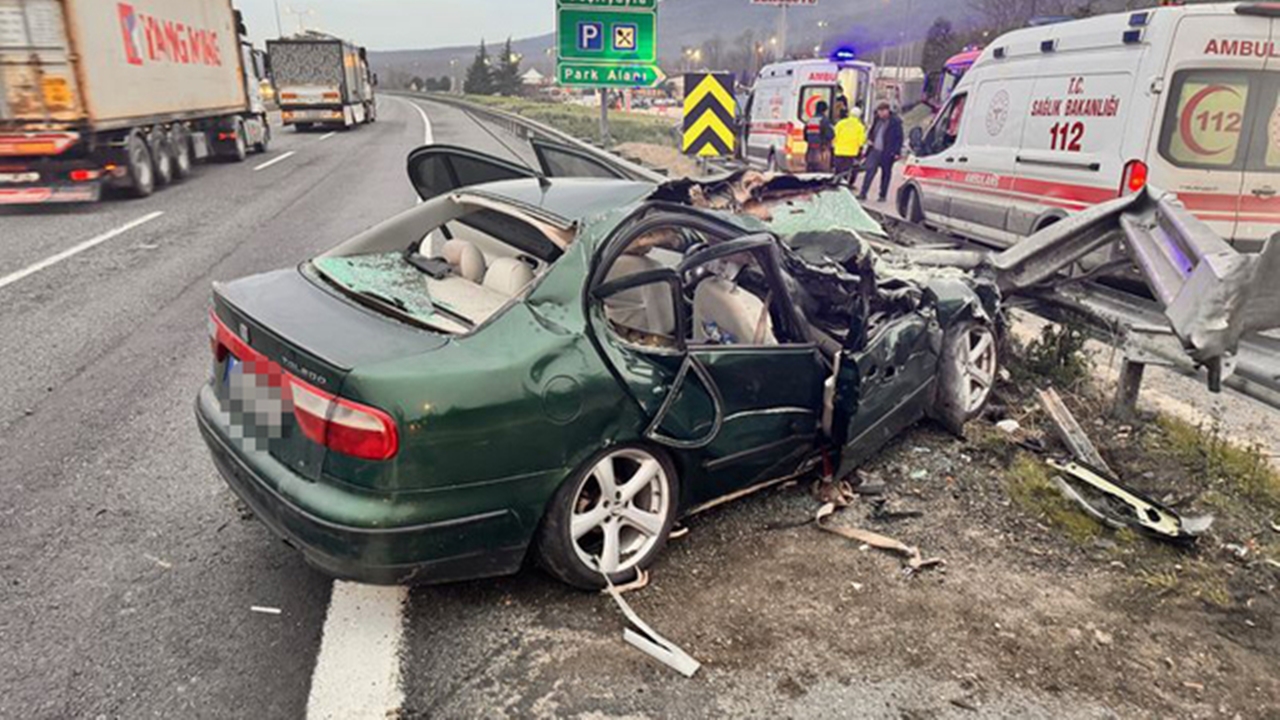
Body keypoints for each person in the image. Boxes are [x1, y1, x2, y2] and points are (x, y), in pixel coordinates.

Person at [858, 101, 905, 204]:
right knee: (869, 171)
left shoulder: (895, 122)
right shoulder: (877, 119)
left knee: (886, 174)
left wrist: (896, 152)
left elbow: (899, 138)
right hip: (875, 150)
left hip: (887, 152)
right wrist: (870, 139)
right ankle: (863, 193)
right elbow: (872, 131)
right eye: (878, 112)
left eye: (881, 111)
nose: (880, 114)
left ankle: (882, 195)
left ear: (887, 111)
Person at [833, 106, 867, 186]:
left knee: (838, 169)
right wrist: (860, 148)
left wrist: (835, 145)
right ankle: (844, 184)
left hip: (839, 150)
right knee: (847, 170)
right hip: (851, 152)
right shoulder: (860, 126)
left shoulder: (841, 123)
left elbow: (834, 135)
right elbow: (861, 140)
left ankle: (836, 183)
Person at [803, 100, 835, 173]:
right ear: (825, 110)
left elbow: (805, 137)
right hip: (822, 150)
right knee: (821, 173)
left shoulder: (810, 120)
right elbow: (830, 135)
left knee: (810, 172)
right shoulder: (825, 121)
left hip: (810, 150)